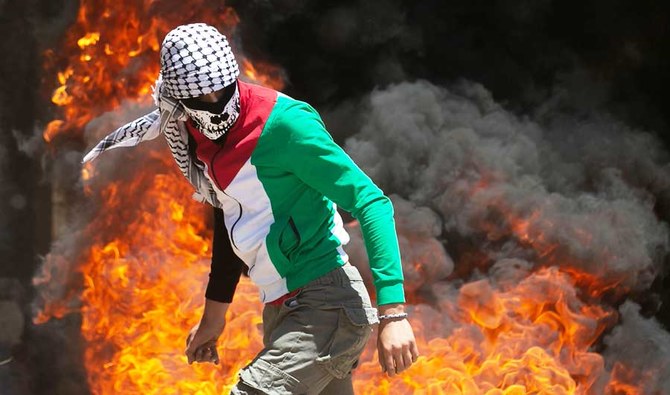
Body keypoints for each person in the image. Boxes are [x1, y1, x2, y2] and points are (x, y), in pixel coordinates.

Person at [84, 23, 418, 394]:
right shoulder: (194, 133)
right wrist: (214, 319)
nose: (215, 104)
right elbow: (231, 217)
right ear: (179, 103)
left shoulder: (286, 125)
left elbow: (371, 202)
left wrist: (393, 313)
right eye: (201, 99)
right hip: (281, 311)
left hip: (324, 305)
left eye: (222, 91)